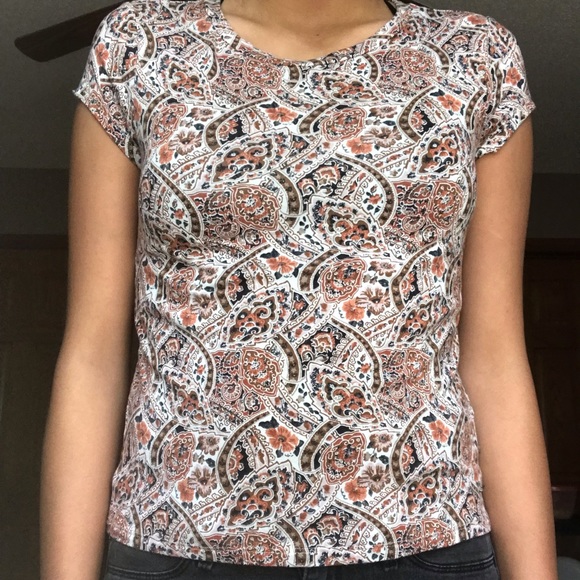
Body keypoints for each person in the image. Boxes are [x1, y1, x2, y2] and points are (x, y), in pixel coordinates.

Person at [39, 0, 558, 578]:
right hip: (176, 541)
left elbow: (495, 357)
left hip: (427, 540)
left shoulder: (476, 57)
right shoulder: (140, 45)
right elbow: (92, 355)